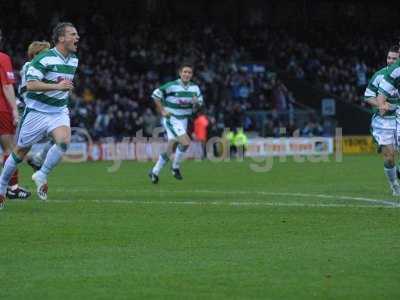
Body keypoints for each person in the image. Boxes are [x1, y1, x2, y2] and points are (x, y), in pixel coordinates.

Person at [0, 22, 79, 208]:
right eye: (73, 34)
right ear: (61, 38)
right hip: (37, 111)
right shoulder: (43, 59)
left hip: (58, 111)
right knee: (19, 152)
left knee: (64, 141)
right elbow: (32, 85)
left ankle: (41, 174)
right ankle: (2, 186)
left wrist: (64, 90)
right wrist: (57, 87)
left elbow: (63, 86)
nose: (77, 38)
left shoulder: (74, 60)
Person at [149, 63, 203, 184]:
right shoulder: (172, 86)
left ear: (192, 75)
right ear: (180, 73)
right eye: (185, 72)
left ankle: (155, 171)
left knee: (171, 147)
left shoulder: (195, 88)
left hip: (184, 120)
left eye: (189, 72)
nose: (187, 74)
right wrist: (162, 110)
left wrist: (196, 103)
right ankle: (175, 167)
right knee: (186, 142)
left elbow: (199, 105)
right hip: (172, 118)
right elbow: (155, 95)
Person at [0, 28, 31, 202]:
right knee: (9, 149)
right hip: (1, 109)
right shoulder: (3, 58)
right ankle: (12, 188)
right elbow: (6, 86)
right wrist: (13, 109)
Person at [366, 45, 400, 195]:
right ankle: (394, 185)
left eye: (394, 58)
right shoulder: (379, 76)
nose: (390, 61)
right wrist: (381, 104)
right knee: (389, 157)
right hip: (383, 121)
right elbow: (368, 96)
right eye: (389, 58)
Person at [18, 41, 55, 172]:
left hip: (43, 110)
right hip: (28, 110)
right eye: (46, 53)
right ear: (36, 54)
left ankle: (38, 159)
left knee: (60, 138)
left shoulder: (46, 68)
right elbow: (28, 89)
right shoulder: (29, 66)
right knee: (18, 150)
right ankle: (8, 184)